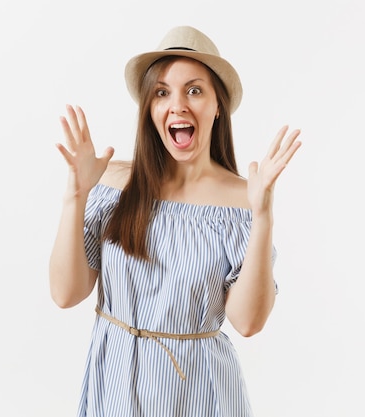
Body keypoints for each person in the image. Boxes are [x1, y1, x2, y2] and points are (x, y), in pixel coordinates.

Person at [49, 25, 301, 417]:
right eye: (162, 92)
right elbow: (66, 293)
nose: (178, 105)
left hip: (199, 392)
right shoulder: (116, 184)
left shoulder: (241, 201)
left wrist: (263, 214)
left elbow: (248, 323)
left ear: (219, 105)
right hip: (114, 385)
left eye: (195, 90)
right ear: (150, 109)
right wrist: (75, 195)